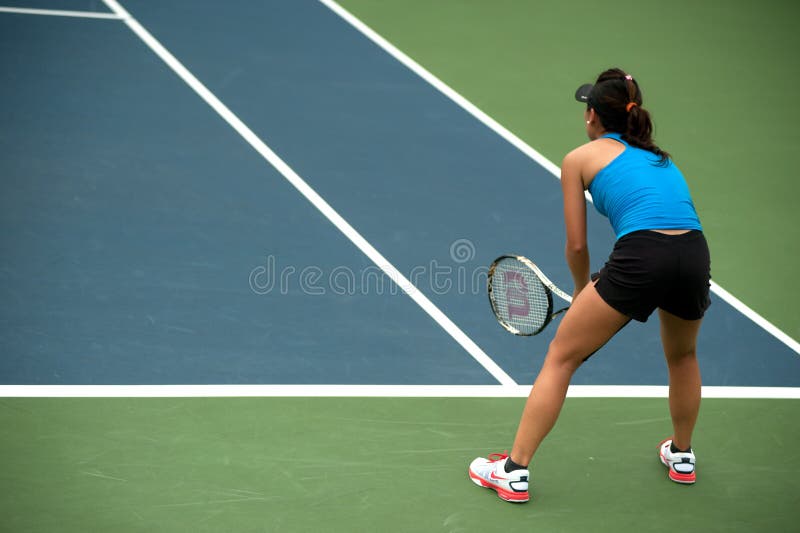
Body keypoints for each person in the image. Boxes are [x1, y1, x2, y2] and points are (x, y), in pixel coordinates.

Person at [468, 68, 711, 503]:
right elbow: (666, 223)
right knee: (683, 355)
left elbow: (577, 246)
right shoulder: (662, 158)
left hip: (642, 255)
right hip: (693, 253)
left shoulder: (578, 159)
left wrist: (582, 289)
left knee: (561, 357)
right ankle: (682, 454)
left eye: (587, 108)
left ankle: (513, 471)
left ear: (593, 116)